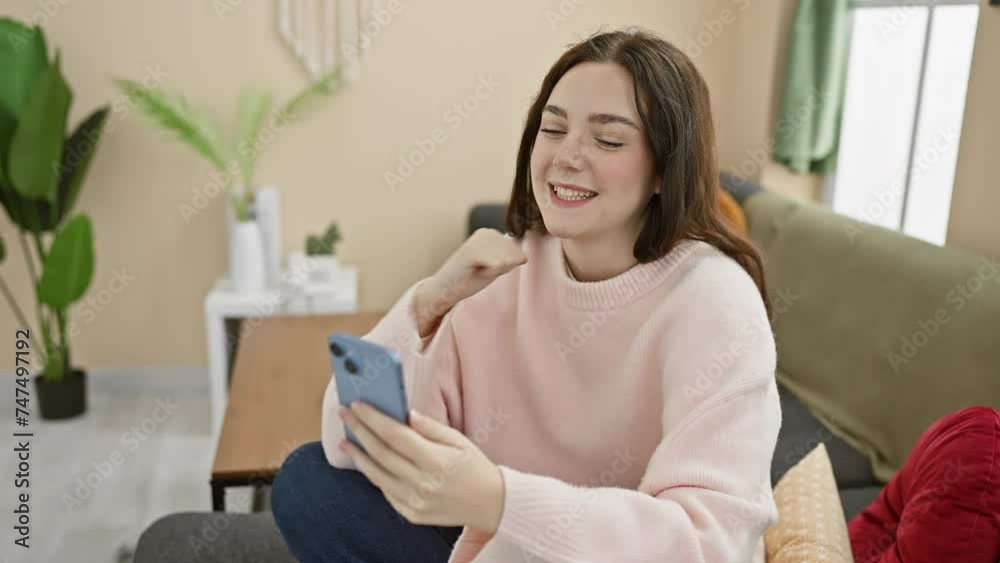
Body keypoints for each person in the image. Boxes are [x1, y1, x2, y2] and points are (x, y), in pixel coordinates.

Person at [272, 27, 781, 563]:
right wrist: (427, 304)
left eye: (608, 139)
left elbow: (709, 545)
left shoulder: (715, 303)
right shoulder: (505, 270)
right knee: (308, 481)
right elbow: (347, 446)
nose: (566, 157)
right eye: (553, 129)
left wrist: (500, 500)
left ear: (664, 169)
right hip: (496, 547)